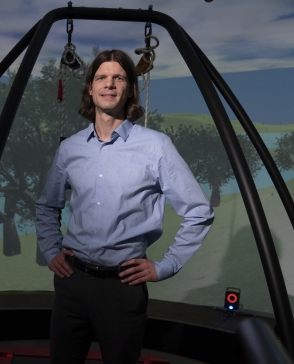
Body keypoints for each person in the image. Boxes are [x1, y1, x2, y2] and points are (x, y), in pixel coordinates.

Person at [35, 49, 214, 364]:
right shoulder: (70, 148)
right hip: (71, 284)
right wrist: (50, 250)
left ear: (131, 87)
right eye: (101, 77)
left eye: (118, 77)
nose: (109, 84)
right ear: (90, 88)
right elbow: (47, 206)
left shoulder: (156, 146)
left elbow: (199, 211)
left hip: (122, 288)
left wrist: (165, 266)